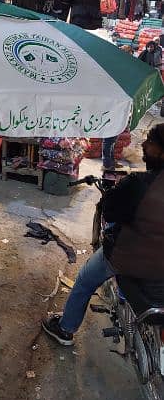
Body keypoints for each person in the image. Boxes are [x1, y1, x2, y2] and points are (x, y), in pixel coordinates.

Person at [42, 123, 164, 346]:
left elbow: (110, 211)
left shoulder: (138, 184)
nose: (144, 145)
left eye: (150, 142)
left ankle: (65, 329)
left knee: (85, 281)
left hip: (130, 258)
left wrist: (115, 192)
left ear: (161, 151)